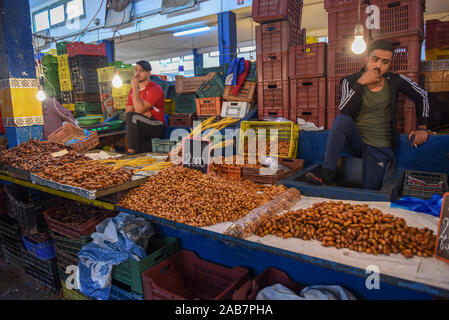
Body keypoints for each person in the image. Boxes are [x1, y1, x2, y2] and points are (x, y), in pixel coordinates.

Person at [305, 40, 430, 190]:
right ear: (366, 59)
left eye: (385, 62)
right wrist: (361, 83)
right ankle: (326, 172)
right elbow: (344, 109)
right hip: (357, 142)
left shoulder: (395, 80)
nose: (378, 66)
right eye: (374, 59)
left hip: (380, 147)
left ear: (389, 64)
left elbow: (422, 95)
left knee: (370, 192)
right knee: (342, 120)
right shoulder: (349, 81)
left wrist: (422, 127)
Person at [125, 60, 166, 154]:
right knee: (131, 117)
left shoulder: (155, 89)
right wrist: (142, 113)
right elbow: (128, 113)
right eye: (136, 70)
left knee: (133, 117)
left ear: (149, 73)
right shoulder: (132, 91)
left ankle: (131, 151)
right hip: (142, 124)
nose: (137, 73)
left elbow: (137, 110)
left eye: (141, 70)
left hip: (157, 125)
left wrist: (135, 88)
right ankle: (138, 155)